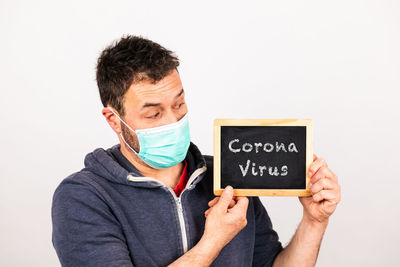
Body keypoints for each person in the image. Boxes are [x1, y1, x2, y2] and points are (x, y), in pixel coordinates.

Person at [51, 35, 341, 267]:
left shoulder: (229, 175)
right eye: (153, 114)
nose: (173, 121)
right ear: (114, 120)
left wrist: (314, 222)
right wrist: (213, 241)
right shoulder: (83, 197)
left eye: (178, 104)